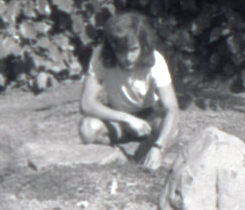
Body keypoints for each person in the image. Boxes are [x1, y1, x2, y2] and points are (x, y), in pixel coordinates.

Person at [77, 11, 180, 171]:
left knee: (170, 129)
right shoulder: (101, 55)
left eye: (133, 50)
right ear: (112, 47)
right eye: (120, 51)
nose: (127, 57)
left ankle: (144, 154)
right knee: (88, 129)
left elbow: (172, 108)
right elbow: (86, 104)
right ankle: (117, 157)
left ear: (142, 45)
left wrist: (158, 147)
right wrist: (126, 118)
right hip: (117, 118)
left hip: (148, 118)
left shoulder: (156, 60)